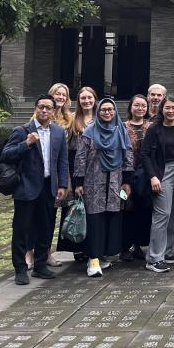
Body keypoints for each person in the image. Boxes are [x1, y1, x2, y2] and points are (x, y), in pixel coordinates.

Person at [4, 95, 69, 285]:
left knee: (46, 228)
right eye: (41, 107)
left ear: (54, 111)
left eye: (49, 108)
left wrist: (62, 185)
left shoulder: (58, 132)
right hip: (27, 187)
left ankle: (41, 264)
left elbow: (62, 161)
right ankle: (20, 268)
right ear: (35, 108)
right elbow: (7, 154)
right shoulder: (22, 130)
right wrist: (26, 143)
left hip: (49, 187)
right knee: (22, 229)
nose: (45, 111)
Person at [74, 98, 134, 278]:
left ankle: (102, 255)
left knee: (111, 218)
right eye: (103, 110)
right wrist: (78, 182)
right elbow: (80, 157)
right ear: (98, 112)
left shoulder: (121, 131)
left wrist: (127, 180)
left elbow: (128, 154)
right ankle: (92, 259)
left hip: (115, 183)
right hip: (93, 182)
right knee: (95, 220)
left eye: (110, 110)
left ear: (115, 112)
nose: (107, 113)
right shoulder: (89, 132)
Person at [24, 82, 73, 269]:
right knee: (32, 215)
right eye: (58, 94)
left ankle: (46, 252)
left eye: (64, 94)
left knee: (51, 215)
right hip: (36, 173)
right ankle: (29, 251)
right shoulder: (38, 118)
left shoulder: (69, 119)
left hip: (58, 172)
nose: (61, 97)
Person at [139, 95, 174, 273]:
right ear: (162, 109)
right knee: (162, 214)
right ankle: (154, 258)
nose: (171, 111)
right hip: (162, 173)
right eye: (168, 108)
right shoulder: (154, 129)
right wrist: (153, 176)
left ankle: (166, 250)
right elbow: (144, 155)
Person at [58, 86, 97, 263]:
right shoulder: (73, 120)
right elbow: (66, 147)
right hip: (76, 167)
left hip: (97, 168)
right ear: (78, 101)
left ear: (95, 99)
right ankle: (77, 246)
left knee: (92, 209)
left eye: (90, 97)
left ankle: (93, 246)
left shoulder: (102, 116)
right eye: (83, 98)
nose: (87, 101)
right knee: (76, 207)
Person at [121, 95, 151, 262]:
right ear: (130, 107)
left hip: (145, 175)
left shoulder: (151, 127)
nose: (140, 108)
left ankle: (138, 245)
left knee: (142, 210)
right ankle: (124, 247)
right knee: (126, 208)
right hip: (125, 175)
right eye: (137, 105)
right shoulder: (122, 127)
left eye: (143, 106)